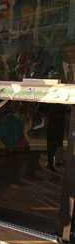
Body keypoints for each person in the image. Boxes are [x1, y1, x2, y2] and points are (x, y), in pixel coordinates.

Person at [43, 40, 75, 170]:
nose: (71, 54)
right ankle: (52, 161)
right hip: (57, 110)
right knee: (55, 137)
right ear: (62, 54)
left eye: (73, 51)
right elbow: (46, 91)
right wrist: (45, 113)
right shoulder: (53, 70)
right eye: (68, 52)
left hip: (73, 110)